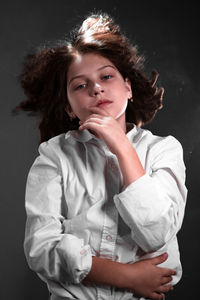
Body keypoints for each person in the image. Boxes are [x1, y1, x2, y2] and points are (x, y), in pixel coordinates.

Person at [14, 12, 187, 300]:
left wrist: (121, 145)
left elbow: (157, 234)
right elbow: (41, 248)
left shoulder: (164, 150)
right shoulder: (54, 156)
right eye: (80, 85)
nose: (96, 87)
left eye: (107, 76)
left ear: (128, 87)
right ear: (70, 108)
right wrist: (128, 276)